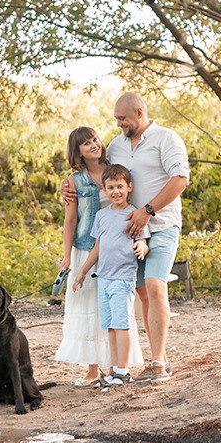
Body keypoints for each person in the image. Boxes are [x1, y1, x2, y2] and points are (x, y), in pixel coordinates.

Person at [62, 92, 189, 382]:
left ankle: (157, 363)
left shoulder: (167, 138)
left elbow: (180, 179)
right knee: (142, 293)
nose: (118, 124)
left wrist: (148, 210)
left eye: (122, 118)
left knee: (155, 287)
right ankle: (160, 358)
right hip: (129, 231)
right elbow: (95, 173)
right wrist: (66, 185)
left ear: (140, 113)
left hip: (162, 224)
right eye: (117, 119)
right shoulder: (117, 146)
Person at [54, 127, 144, 385]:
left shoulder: (115, 170)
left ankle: (117, 365)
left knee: (113, 305)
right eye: (85, 144)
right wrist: (68, 256)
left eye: (94, 139)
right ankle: (93, 370)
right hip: (85, 249)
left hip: (114, 252)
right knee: (88, 307)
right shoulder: (74, 181)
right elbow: (70, 220)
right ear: (78, 152)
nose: (93, 145)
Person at [72, 163, 150, 388]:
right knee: (110, 326)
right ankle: (115, 370)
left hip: (123, 278)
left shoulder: (134, 214)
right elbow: (97, 247)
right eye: (110, 187)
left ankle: (124, 371)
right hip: (103, 278)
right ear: (104, 190)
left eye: (120, 186)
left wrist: (142, 248)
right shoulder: (101, 215)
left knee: (122, 324)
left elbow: (143, 240)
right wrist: (82, 272)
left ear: (129, 187)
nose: (115, 191)